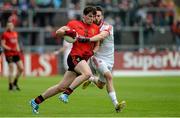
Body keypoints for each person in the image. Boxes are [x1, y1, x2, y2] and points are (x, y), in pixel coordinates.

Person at [30, 6, 99, 114]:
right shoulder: (74, 24)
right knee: (87, 74)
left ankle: (35, 101)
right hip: (74, 57)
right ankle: (67, 94)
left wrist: (93, 52)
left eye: (93, 16)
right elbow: (58, 32)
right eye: (90, 16)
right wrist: (67, 33)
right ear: (84, 16)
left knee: (60, 87)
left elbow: (97, 44)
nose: (92, 18)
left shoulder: (95, 28)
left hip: (83, 60)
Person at [60, 6, 126, 113]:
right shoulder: (92, 27)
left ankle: (91, 79)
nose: (96, 18)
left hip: (109, 59)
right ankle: (116, 105)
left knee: (101, 85)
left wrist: (86, 39)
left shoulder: (107, 27)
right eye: (95, 16)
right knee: (109, 76)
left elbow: (101, 36)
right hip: (97, 58)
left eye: (99, 16)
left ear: (102, 16)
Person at [1, 22, 24, 91]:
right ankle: (10, 85)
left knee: (21, 68)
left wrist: (18, 49)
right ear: (7, 27)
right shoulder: (5, 34)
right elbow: (3, 44)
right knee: (12, 68)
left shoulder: (15, 33)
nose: (10, 27)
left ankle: (15, 82)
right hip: (9, 54)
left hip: (16, 53)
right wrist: (10, 48)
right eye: (9, 26)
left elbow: (16, 43)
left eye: (11, 26)